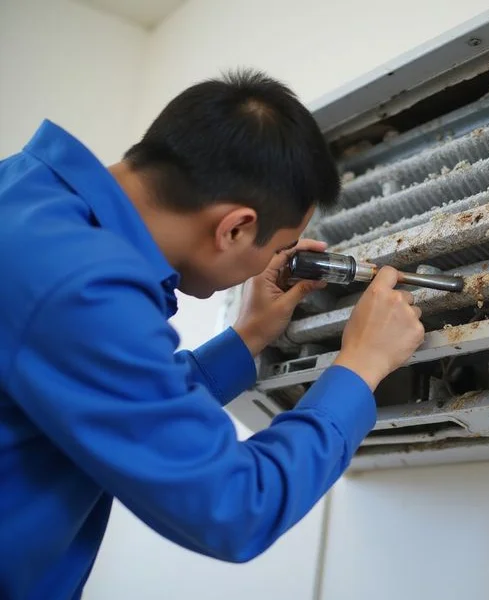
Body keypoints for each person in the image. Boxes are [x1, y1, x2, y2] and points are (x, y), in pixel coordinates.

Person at [0, 68, 425, 599]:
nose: (274, 263)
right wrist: (361, 366)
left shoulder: (23, 195)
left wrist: (246, 337)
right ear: (236, 227)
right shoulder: (81, 286)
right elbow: (235, 506)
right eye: (276, 249)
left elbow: (102, 398)